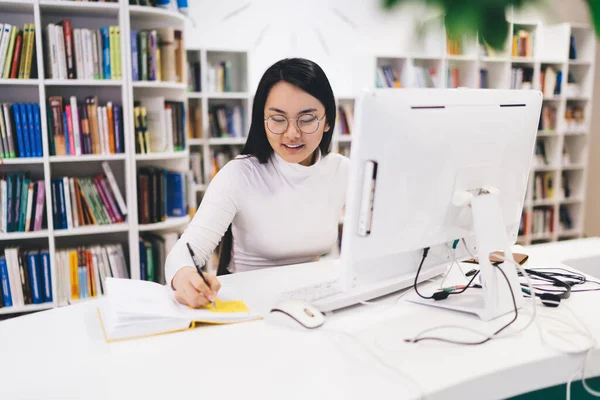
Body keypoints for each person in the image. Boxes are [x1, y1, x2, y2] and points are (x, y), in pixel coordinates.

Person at [165, 58, 350, 308]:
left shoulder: (341, 171)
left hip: (310, 305)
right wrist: (185, 277)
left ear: (327, 121)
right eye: (277, 119)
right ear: (262, 121)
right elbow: (186, 250)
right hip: (250, 308)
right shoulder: (239, 174)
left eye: (307, 119)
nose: (292, 133)